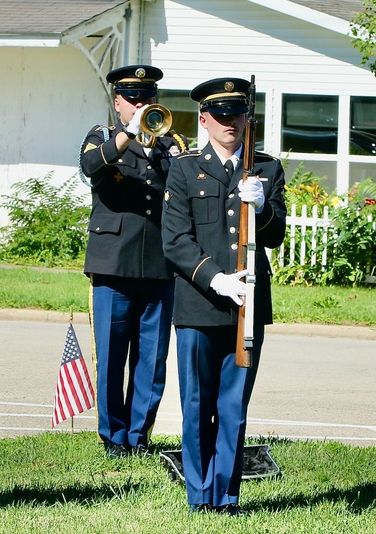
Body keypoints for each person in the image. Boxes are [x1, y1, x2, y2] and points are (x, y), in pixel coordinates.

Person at [161, 77, 286, 514]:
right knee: (197, 405)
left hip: (248, 308)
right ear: (204, 118)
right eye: (220, 114)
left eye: (236, 114)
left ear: (246, 119)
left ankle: (226, 497)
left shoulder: (266, 169)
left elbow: (276, 236)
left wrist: (264, 206)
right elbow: (175, 240)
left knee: (233, 406)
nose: (229, 122)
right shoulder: (183, 168)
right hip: (200, 303)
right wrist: (215, 279)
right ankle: (199, 496)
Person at [80, 65, 188, 459]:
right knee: (111, 354)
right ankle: (113, 436)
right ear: (119, 103)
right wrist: (128, 135)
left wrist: (165, 148)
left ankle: (138, 436)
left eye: (148, 99)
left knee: (152, 356)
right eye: (134, 99)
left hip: (159, 264)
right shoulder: (103, 137)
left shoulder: (171, 142)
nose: (142, 106)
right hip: (113, 264)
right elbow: (92, 168)